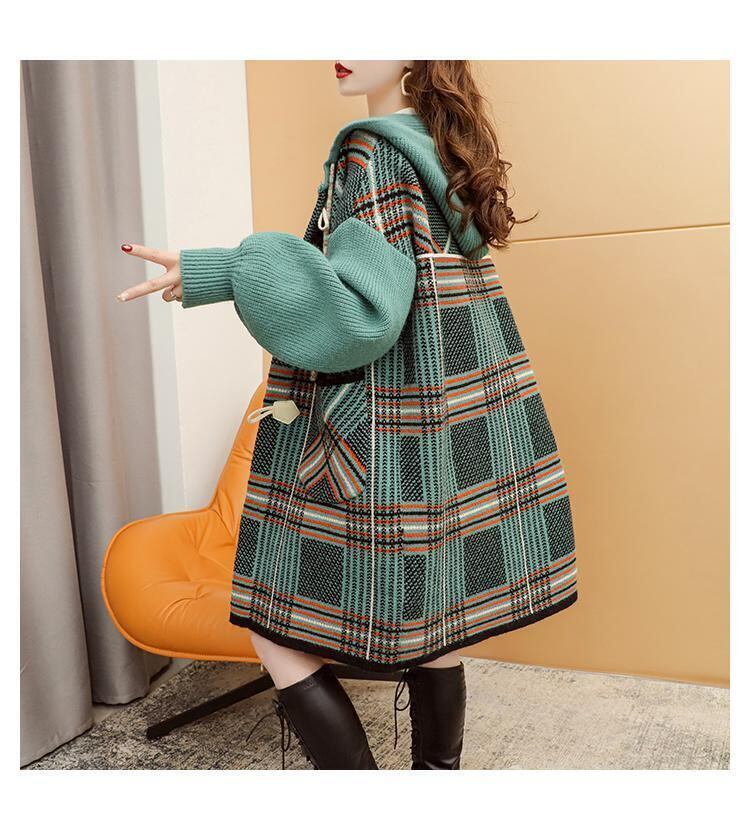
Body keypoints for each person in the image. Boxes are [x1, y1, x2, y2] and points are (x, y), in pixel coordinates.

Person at [116, 60, 578, 770]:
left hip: (380, 432)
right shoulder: (441, 145)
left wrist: (226, 269)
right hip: (454, 428)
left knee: (273, 624)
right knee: (436, 625)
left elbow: (362, 312)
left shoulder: (370, 152)